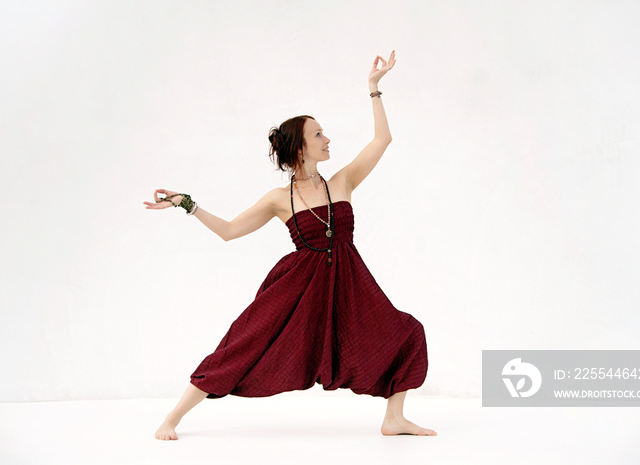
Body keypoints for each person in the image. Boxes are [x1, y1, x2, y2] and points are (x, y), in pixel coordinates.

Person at [145, 51, 436, 439]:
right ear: (300, 148)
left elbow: (383, 139)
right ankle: (172, 418)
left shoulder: (342, 182)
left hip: (348, 282)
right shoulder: (279, 199)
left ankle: (394, 418)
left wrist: (374, 89)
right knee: (242, 345)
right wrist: (187, 204)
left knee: (407, 333)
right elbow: (230, 230)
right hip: (299, 287)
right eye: (318, 134)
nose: (327, 138)